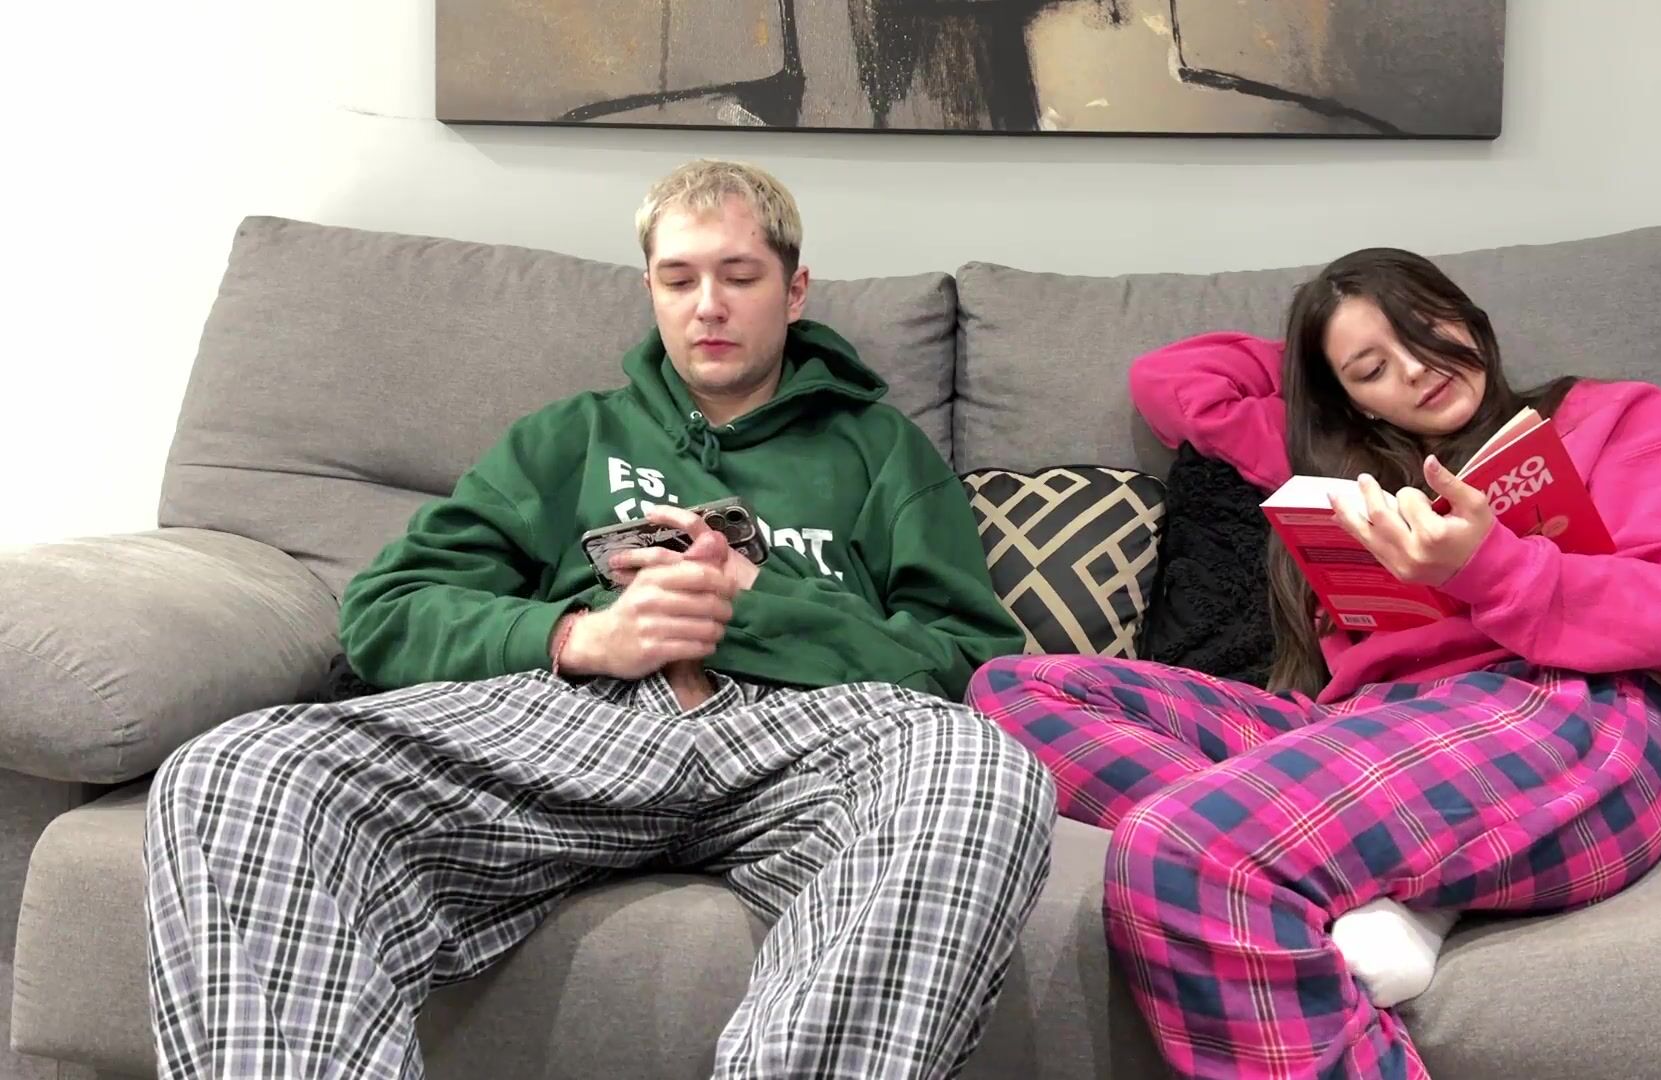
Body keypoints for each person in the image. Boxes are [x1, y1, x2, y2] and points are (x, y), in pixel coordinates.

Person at [143, 159, 1057, 1080]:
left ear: (795, 290)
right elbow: (385, 612)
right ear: (650, 290)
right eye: (679, 279)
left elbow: (968, 662)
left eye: (740, 277)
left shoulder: (884, 450)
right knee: (235, 773)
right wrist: (582, 638)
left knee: (983, 769)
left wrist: (753, 598)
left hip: (806, 740)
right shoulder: (569, 436)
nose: (708, 306)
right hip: (580, 723)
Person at [965, 247, 1661, 1079]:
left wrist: (1488, 569)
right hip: (1365, 724)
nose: (1416, 370)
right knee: (1011, 694)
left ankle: (1328, 868)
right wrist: (1321, 356)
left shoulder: (1603, 417)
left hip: (1556, 709)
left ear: (1469, 317)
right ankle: (1363, 872)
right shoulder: (1346, 469)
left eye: (1425, 330)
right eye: (1373, 369)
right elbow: (1174, 383)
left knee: (1183, 849)